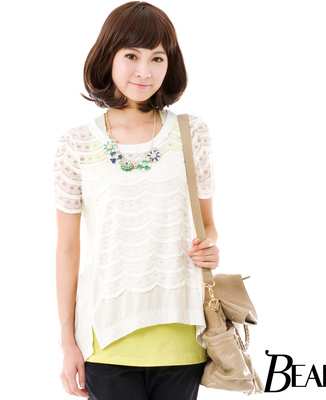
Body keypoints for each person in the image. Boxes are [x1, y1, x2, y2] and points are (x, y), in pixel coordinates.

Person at [54, 2, 219, 399]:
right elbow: (68, 250)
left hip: (181, 334)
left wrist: (210, 247)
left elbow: (208, 225)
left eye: (157, 58)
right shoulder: (77, 144)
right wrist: (67, 342)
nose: (144, 71)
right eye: (131, 56)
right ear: (108, 57)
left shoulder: (191, 133)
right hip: (106, 337)